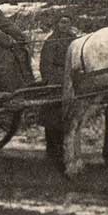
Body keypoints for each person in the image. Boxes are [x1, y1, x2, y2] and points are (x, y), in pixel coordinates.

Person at [38, 14, 79, 162]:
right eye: (62, 22)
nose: (64, 25)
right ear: (57, 24)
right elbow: (45, 64)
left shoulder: (74, 40)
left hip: (70, 79)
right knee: (53, 115)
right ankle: (51, 148)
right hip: (55, 79)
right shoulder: (51, 40)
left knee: (67, 114)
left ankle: (63, 146)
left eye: (67, 22)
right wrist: (50, 80)